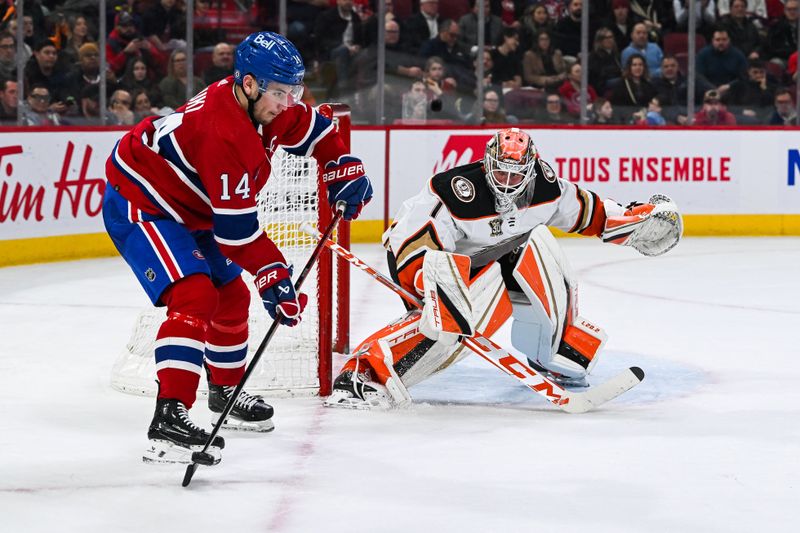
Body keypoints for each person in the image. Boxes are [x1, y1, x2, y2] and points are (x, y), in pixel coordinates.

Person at [102, 31, 373, 465]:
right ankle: (168, 419)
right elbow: (237, 235)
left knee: (232, 297)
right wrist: (275, 273)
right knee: (195, 295)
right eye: (280, 92)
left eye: (293, 91)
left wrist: (340, 162)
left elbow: (313, 128)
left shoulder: (263, 104)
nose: (287, 102)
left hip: (192, 207)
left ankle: (224, 392)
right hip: (143, 204)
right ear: (249, 84)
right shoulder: (222, 132)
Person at [324, 128, 682, 410]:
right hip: (437, 265)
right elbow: (411, 242)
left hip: (495, 255)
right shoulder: (454, 191)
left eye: (516, 176)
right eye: (500, 172)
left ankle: (551, 350)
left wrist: (634, 224)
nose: (507, 183)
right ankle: (365, 373)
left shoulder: (546, 187)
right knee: (461, 321)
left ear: (530, 170)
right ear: (486, 164)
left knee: (537, 243)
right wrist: (431, 287)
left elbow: (590, 212)